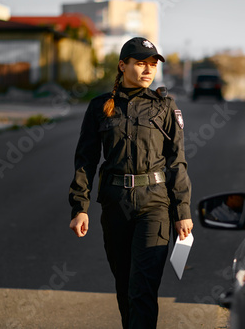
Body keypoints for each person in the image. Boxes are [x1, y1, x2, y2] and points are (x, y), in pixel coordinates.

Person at [68, 37, 193, 329]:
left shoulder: (164, 106)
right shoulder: (100, 106)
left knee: (142, 289)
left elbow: (177, 161)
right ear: (122, 66)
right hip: (115, 205)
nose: (147, 70)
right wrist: (80, 207)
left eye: (152, 64)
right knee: (125, 287)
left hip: (156, 205)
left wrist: (182, 210)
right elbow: (85, 159)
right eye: (140, 63)